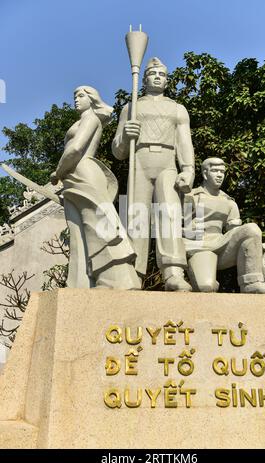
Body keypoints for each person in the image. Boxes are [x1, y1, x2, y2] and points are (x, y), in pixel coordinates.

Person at [112, 57, 195, 291]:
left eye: (162, 74)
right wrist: (126, 135)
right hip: (139, 160)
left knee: (169, 213)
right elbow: (118, 151)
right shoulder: (131, 107)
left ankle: (173, 272)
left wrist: (188, 169)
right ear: (145, 78)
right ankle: (133, 273)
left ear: (167, 81)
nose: (158, 77)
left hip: (167, 162)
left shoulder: (178, 109)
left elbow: (184, 142)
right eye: (153, 73)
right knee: (137, 217)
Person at [50, 86, 140, 290]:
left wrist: (57, 172)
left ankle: (115, 279)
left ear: (92, 99)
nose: (76, 99)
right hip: (72, 177)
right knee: (78, 232)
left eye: (81, 95)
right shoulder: (81, 120)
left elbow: (75, 149)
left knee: (98, 223)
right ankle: (79, 282)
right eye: (74, 96)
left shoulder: (90, 119)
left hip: (83, 171)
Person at [183, 157, 265, 295]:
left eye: (222, 172)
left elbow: (235, 234)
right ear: (205, 173)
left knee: (251, 229)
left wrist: (260, 247)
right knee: (206, 287)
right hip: (199, 245)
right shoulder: (191, 196)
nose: (219, 175)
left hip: (222, 245)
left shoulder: (229, 202)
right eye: (215, 171)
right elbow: (178, 227)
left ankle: (251, 283)